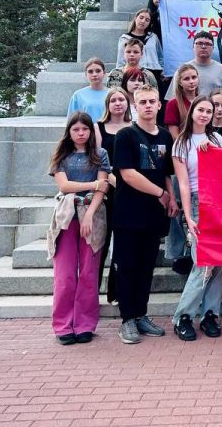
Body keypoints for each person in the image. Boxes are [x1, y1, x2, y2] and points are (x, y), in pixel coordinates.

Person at [111, 84, 175, 344]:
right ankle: (127, 319)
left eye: (152, 101)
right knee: (127, 266)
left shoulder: (165, 136)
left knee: (146, 267)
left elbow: (167, 172)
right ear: (134, 106)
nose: (148, 106)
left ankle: (140, 314)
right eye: (143, 102)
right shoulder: (126, 135)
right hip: (128, 213)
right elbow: (127, 174)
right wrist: (160, 193)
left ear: (159, 105)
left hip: (153, 215)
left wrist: (171, 197)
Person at [47, 112, 111, 345]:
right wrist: (93, 184)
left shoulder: (100, 154)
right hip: (66, 216)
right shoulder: (61, 156)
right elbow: (64, 186)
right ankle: (63, 325)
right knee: (64, 275)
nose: (81, 133)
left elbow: (103, 188)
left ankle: (84, 324)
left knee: (88, 273)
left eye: (85, 129)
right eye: (76, 129)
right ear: (69, 132)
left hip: (92, 216)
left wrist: (89, 215)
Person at [172, 96, 222, 341]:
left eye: (209, 111)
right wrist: (188, 216)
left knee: (219, 262)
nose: (205, 114)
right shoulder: (181, 143)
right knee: (204, 262)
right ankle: (183, 316)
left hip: (219, 202)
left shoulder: (216, 139)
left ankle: (210, 314)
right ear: (192, 111)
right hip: (197, 201)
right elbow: (183, 183)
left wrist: (214, 153)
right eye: (201, 110)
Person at [95, 87, 131, 304]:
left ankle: (115, 292)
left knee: (122, 244)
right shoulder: (98, 127)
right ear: (107, 105)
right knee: (102, 242)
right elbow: (97, 159)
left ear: (127, 103)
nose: (118, 103)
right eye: (113, 100)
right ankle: (91, 292)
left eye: (121, 99)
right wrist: (110, 179)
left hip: (129, 190)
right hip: (107, 189)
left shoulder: (134, 127)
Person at [173, 30, 222, 98]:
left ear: (213, 48)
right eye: (199, 43)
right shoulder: (182, 70)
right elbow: (173, 98)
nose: (203, 47)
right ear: (193, 46)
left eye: (207, 44)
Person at [115, 9, 164, 83]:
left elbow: (160, 56)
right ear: (135, 18)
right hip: (136, 73)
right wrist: (120, 74)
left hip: (155, 73)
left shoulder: (153, 37)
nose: (143, 21)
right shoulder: (124, 38)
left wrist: (163, 70)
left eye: (147, 20)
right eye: (141, 18)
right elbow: (121, 58)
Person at [67, 58, 109, 123]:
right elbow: (71, 120)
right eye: (90, 72)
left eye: (98, 71)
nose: (94, 74)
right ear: (86, 74)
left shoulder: (111, 94)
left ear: (104, 73)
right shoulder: (78, 95)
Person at [164, 64, 199, 138]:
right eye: (186, 79)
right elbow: (174, 135)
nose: (191, 81)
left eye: (194, 77)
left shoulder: (203, 101)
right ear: (180, 82)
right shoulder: (173, 103)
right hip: (182, 143)